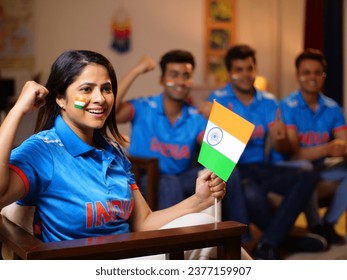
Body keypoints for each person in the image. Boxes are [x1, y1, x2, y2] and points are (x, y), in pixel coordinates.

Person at [0, 50, 228, 259]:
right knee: (207, 234)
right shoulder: (43, 149)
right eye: (86, 89)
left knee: (206, 224)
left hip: (128, 256)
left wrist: (200, 199)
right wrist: (18, 110)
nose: (100, 98)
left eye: (106, 89)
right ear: (60, 98)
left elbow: (143, 222)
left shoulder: (114, 150)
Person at [199, 44, 324, 260]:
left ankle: (268, 243)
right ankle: (279, 241)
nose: (246, 75)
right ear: (229, 73)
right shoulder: (218, 98)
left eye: (250, 69)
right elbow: (210, 147)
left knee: (308, 174)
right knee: (250, 192)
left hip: (262, 167)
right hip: (235, 170)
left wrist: (281, 139)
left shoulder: (268, 101)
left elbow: (282, 149)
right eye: (239, 70)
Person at [115, 50, 250, 234]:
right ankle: (171, 246)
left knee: (230, 172)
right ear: (162, 80)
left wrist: (218, 116)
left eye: (186, 76)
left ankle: (241, 240)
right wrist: (137, 70)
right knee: (169, 182)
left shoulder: (194, 115)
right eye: (174, 75)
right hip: (147, 178)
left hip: (181, 176)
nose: (180, 82)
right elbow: (111, 111)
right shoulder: (144, 106)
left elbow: (224, 152)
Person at [278, 48, 347, 245]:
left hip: (320, 167)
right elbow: (294, 154)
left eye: (318, 72)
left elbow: (343, 143)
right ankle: (314, 226)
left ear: (323, 76)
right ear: (298, 75)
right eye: (306, 72)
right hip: (290, 167)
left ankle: (328, 224)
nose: (312, 77)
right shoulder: (287, 105)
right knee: (305, 169)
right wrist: (327, 149)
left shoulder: (333, 108)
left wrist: (340, 148)